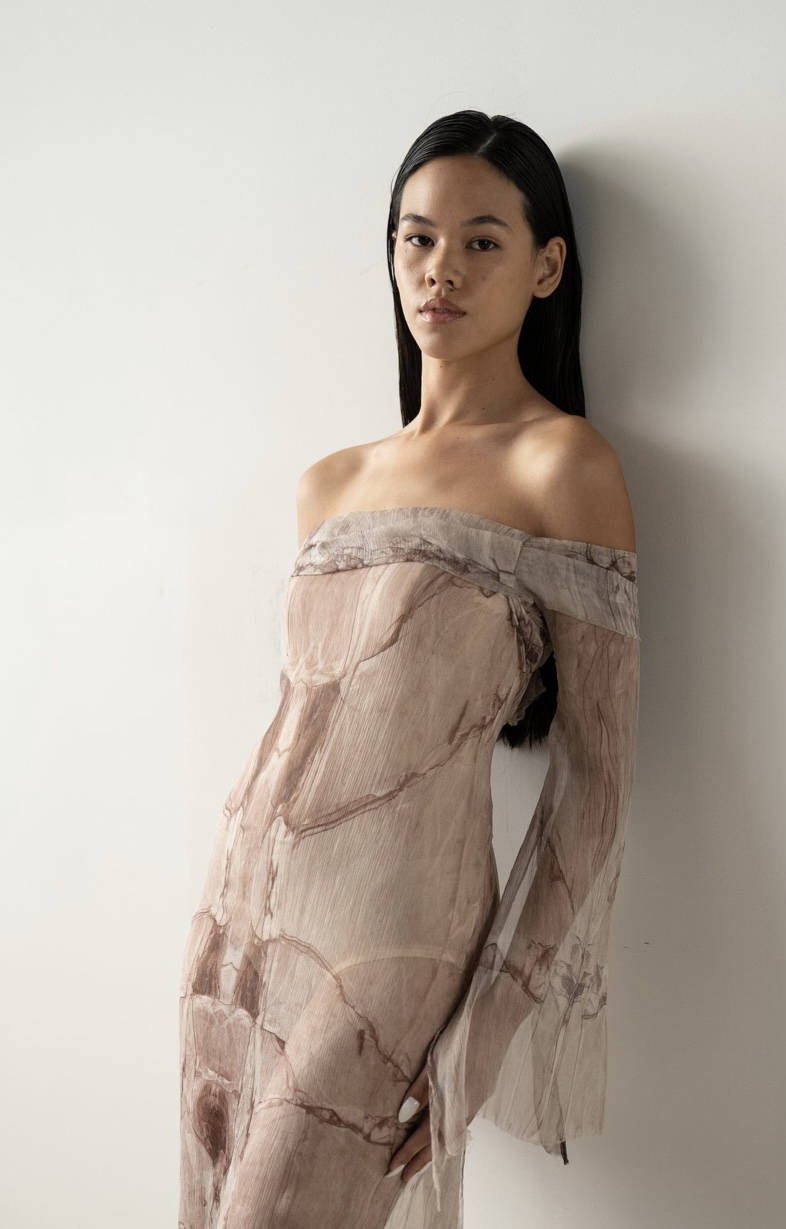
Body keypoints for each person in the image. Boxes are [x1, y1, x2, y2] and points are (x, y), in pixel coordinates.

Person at [178, 109, 640, 1229]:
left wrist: (483, 1036)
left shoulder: (561, 466)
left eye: (481, 241)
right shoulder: (329, 482)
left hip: (394, 936)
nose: (440, 269)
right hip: (236, 920)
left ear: (546, 266)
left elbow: (594, 783)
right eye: (416, 238)